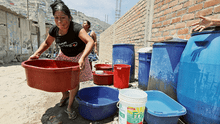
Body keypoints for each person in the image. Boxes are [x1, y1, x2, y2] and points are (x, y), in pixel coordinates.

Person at [28, 0, 94, 120]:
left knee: (74, 82)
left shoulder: (76, 28)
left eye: (63, 17)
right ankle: (65, 95)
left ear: (69, 17)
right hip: (64, 55)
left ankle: (70, 106)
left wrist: (83, 58)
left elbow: (90, 41)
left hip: (78, 56)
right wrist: (36, 54)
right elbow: (47, 42)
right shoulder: (54, 30)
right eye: (56, 18)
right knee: (59, 79)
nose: (59, 21)